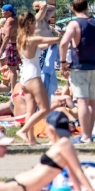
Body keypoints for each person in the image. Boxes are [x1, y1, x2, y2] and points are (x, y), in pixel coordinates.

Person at [0, 111, 95, 191]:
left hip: (22, 188)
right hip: (20, 185)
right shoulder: (62, 144)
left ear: (50, 130)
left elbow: (77, 172)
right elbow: (73, 172)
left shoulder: (64, 143)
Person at [59, 0, 95, 143]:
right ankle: (89, 134)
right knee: (91, 102)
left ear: (73, 8)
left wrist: (63, 62)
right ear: (87, 7)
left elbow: (63, 43)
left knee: (82, 102)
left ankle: (86, 136)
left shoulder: (74, 24)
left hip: (79, 67)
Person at [14, 12, 63, 145]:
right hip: (33, 77)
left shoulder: (21, 40)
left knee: (31, 110)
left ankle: (32, 140)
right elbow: (53, 40)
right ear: (29, 24)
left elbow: (41, 47)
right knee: (45, 109)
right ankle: (23, 130)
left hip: (24, 78)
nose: (35, 25)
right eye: (34, 23)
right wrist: (59, 34)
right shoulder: (32, 39)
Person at [0, 4, 19, 88]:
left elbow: (7, 36)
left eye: (3, 11)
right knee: (13, 68)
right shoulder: (16, 19)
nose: (2, 12)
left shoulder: (9, 21)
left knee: (12, 69)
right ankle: (12, 88)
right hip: (15, 45)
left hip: (11, 45)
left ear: (9, 12)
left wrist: (1, 50)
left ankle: (12, 90)